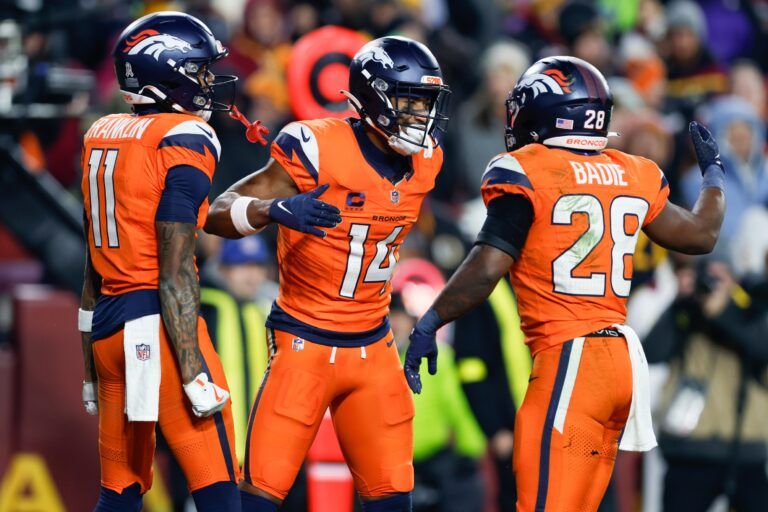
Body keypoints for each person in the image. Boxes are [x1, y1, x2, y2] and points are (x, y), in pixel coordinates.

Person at [404, 56, 726, 511]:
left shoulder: (530, 168)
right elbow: (701, 234)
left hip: (571, 358)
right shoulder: (632, 171)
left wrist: (432, 319)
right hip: (620, 358)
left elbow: (489, 263)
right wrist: (713, 177)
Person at [204, 36, 450, 512]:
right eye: (409, 102)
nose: (421, 116)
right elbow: (218, 211)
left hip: (374, 345)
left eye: (426, 104)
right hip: (305, 343)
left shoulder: (429, 160)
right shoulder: (318, 146)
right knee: (258, 497)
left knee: (393, 499)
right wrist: (272, 209)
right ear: (374, 98)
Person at [77, 12, 243, 511]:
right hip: (160, 327)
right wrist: (193, 368)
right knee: (218, 488)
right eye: (198, 70)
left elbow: (92, 267)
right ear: (166, 70)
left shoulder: (101, 132)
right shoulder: (185, 136)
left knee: (120, 492)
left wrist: (88, 363)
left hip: (109, 326)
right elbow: (174, 261)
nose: (209, 81)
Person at [645, 257, 768, 512]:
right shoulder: (686, 311)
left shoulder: (752, 309)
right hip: (690, 451)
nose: (710, 284)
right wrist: (680, 302)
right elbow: (652, 352)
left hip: (747, 452)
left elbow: (761, 346)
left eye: (719, 277)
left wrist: (724, 310)